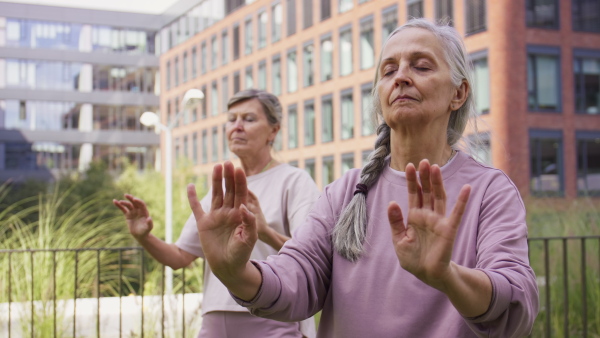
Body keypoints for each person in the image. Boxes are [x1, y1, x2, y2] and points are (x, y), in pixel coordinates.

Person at [185, 19, 540, 338]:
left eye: (420, 65)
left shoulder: (490, 190)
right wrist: (234, 272)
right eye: (388, 70)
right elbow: (298, 277)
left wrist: (447, 276)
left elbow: (515, 306)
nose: (400, 76)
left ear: (458, 93)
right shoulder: (344, 192)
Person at [113, 89, 320, 338]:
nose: (237, 127)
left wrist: (264, 232)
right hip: (215, 319)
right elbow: (179, 257)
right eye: (231, 119)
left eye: (249, 119)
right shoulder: (222, 188)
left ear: (273, 130)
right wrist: (144, 237)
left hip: (273, 315)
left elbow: (311, 258)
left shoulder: (294, 181)